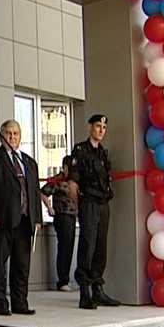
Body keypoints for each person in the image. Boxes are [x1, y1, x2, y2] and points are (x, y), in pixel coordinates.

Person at [0, 120, 43, 316]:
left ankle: (20, 302)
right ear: (1, 135)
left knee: (22, 265)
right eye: (8, 133)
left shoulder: (29, 162)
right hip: (3, 219)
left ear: (20, 137)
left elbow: (34, 192)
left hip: (25, 221)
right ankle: (0, 304)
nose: (12, 137)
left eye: (16, 134)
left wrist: (38, 219)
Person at [70, 114, 120, 310]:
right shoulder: (81, 150)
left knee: (101, 245)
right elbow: (73, 183)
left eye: (104, 127)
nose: (101, 130)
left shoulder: (103, 153)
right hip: (88, 202)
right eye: (98, 126)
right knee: (87, 244)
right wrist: (79, 206)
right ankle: (85, 291)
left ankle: (98, 289)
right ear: (90, 127)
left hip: (102, 203)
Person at [41, 155, 78, 292]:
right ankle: (62, 281)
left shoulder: (75, 181)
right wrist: (49, 208)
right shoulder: (58, 180)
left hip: (72, 216)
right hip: (62, 216)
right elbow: (43, 192)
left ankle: (65, 279)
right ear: (65, 168)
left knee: (69, 248)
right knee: (64, 247)